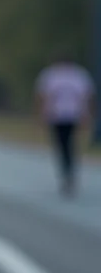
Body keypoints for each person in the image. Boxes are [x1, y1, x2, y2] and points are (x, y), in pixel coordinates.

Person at [35, 51, 96, 198]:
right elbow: (86, 96)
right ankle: (68, 173)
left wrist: (43, 113)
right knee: (66, 145)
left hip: (64, 116)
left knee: (64, 145)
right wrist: (86, 114)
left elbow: (44, 96)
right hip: (63, 116)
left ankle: (67, 173)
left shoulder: (53, 75)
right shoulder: (77, 75)